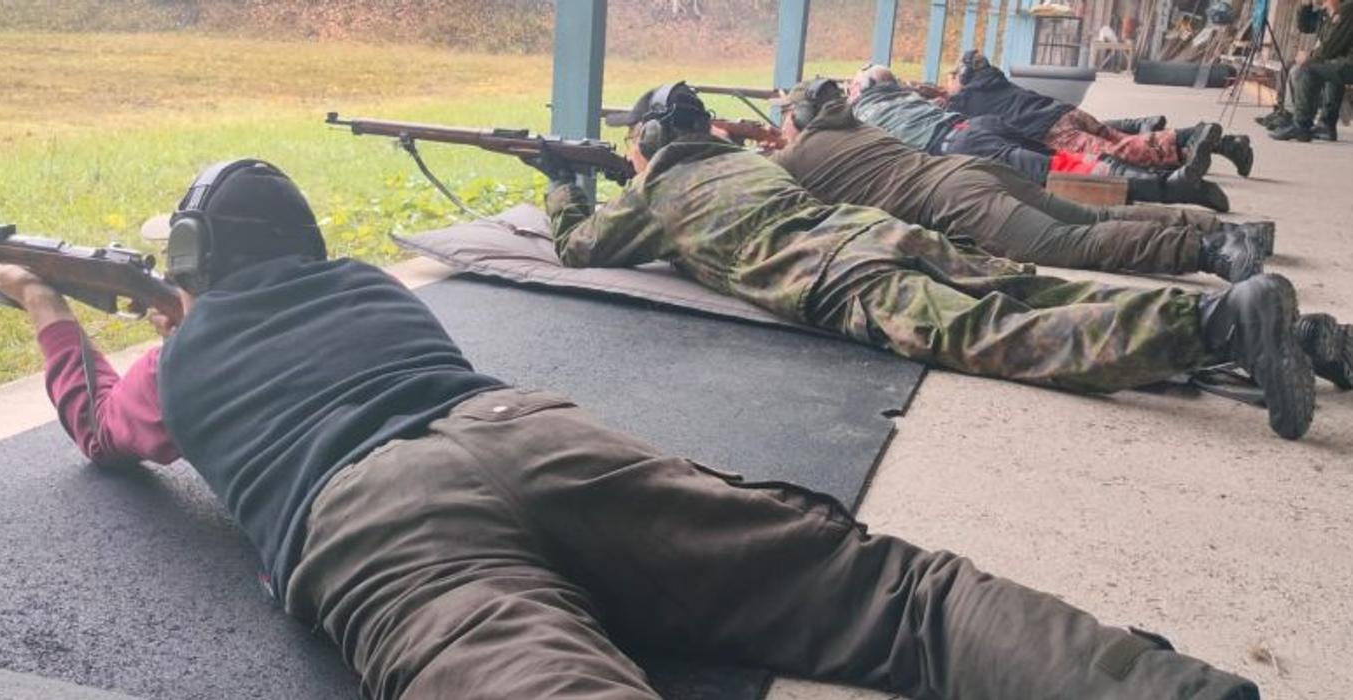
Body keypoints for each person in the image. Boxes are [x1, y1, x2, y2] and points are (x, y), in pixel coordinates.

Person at [0, 158, 1277, 700]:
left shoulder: (181, 360)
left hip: (376, 529)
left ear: (189, 270)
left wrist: (48, 309)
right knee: (892, 595)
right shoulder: (368, 288)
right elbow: (277, 317)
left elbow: (102, 426)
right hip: (531, 435)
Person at [542, 83, 1344, 440]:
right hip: (889, 234)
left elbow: (579, 248)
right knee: (1042, 289)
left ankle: (1218, 322)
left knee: (1008, 337)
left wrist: (559, 187)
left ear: (648, 143)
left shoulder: (656, 194)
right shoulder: (749, 163)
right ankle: (1304, 338)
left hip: (844, 279)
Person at [770, 77, 1268, 281]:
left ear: (799, 118)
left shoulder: (794, 159)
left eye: (785, 117)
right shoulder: (857, 123)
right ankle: (1225, 231)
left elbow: (773, 189)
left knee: (1072, 243)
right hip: (970, 171)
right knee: (1094, 217)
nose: (782, 126)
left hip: (956, 200)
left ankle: (1210, 253)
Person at [847, 64, 1236, 213]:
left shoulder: (865, 112)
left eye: (851, 87)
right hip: (984, 128)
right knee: (1101, 150)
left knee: (1070, 170)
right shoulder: (911, 97)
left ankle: (1170, 187)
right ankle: (1188, 154)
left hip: (963, 144)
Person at [946, 51, 1255, 177]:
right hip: (1066, 113)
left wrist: (947, 94)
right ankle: (1225, 144)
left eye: (952, 77)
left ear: (962, 78)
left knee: (1126, 152)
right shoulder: (994, 79)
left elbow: (947, 110)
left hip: (1051, 131)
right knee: (1128, 142)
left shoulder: (965, 99)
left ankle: (1199, 136)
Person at [1270, 0, 1353, 141]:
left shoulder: (1348, 9)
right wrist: (1305, 6)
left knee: (1309, 69)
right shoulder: (1327, 13)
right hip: (1343, 60)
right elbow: (1305, 26)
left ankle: (1301, 126)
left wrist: (1310, 56)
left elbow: (1331, 45)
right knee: (1322, 66)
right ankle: (1321, 125)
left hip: (1348, 62)